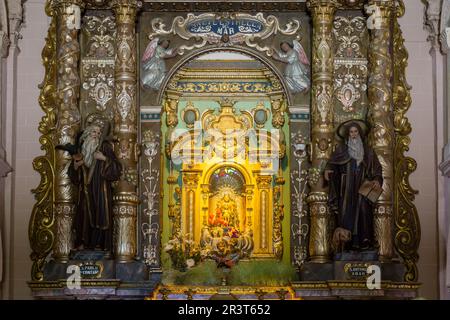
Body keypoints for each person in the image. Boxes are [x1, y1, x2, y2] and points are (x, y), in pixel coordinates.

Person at [324, 120, 383, 251]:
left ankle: (364, 241)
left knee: (363, 211)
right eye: (351, 132)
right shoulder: (342, 150)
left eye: (356, 132)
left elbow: (377, 169)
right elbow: (333, 163)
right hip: (346, 189)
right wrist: (328, 170)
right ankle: (347, 245)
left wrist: (377, 180)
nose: (354, 134)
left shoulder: (368, 152)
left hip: (363, 188)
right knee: (346, 214)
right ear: (348, 135)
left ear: (360, 134)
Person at [68, 121, 121, 253]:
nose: (96, 135)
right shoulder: (81, 150)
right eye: (93, 132)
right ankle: (83, 243)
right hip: (84, 191)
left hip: (100, 189)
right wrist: (76, 166)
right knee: (84, 215)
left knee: (100, 214)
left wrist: (104, 158)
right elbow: (73, 174)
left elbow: (117, 168)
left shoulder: (104, 147)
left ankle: (100, 244)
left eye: (98, 133)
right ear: (87, 133)